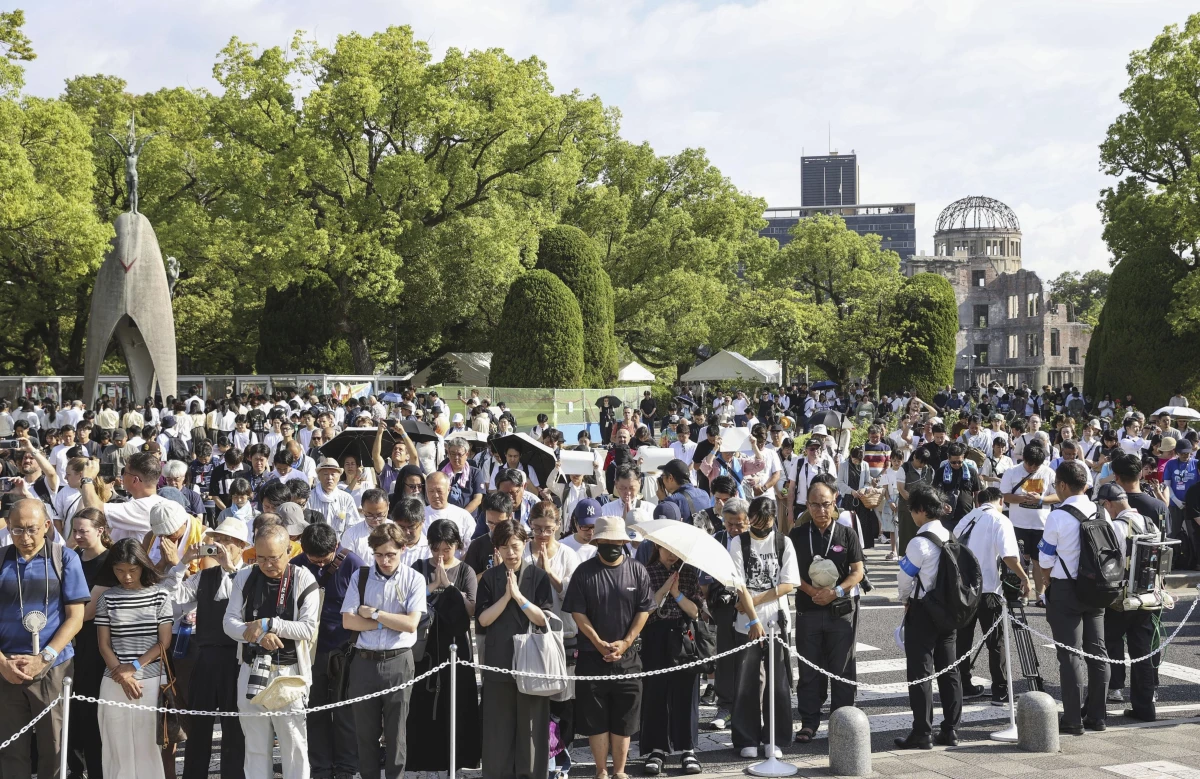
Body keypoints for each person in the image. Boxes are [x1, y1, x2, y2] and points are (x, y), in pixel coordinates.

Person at [223, 523, 320, 779]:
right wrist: (260, 636)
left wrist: (269, 624)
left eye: (273, 558)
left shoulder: (303, 578)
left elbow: (307, 629)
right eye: (261, 558)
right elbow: (228, 622)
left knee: (294, 746)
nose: (266, 565)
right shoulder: (245, 576)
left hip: (289, 673)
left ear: (288, 551)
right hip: (251, 667)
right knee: (255, 746)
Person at [0, 500, 88, 779]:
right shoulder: (1, 559)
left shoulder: (64, 558)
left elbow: (76, 617)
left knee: (54, 745)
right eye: (17, 530)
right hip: (6, 667)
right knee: (11, 747)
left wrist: (44, 658)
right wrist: (2, 663)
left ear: (47, 526)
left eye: (31, 529)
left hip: (53, 666)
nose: (24, 538)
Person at [564, 515, 655, 779]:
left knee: (624, 720)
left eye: (618, 542)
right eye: (606, 541)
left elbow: (644, 610)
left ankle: (620, 771)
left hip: (629, 657)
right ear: (597, 542)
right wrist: (597, 642)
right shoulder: (583, 572)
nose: (612, 546)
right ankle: (601, 770)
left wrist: (625, 642)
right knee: (596, 720)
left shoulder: (637, 570)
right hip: (592, 656)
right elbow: (577, 613)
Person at [164, 515, 251, 779]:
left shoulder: (251, 574)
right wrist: (182, 563)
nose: (221, 546)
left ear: (240, 545)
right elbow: (172, 599)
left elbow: (250, 605)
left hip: (236, 659)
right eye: (218, 540)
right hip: (205, 658)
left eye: (227, 541)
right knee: (199, 727)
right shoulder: (204, 576)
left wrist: (230, 568)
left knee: (234, 730)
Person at [340, 523, 427, 779]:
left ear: (403, 549)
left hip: (398, 661)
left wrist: (375, 613)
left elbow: (411, 624)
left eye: (390, 554)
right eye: (379, 554)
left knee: (396, 734)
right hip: (363, 661)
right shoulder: (361, 576)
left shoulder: (414, 579)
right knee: (365, 735)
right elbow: (348, 621)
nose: (385, 560)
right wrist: (385, 621)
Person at [477, 519, 554, 779]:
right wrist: (506, 596)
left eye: (515, 546)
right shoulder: (489, 578)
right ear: (496, 549)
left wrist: (519, 597)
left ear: (525, 544)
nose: (511, 553)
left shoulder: (539, 576)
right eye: (504, 547)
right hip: (499, 659)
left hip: (532, 659)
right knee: (498, 727)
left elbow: (544, 619)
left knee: (532, 727)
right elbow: (483, 620)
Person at [1037, 460, 1110, 735]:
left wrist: (1046, 579)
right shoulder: (1102, 511)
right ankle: (1098, 716)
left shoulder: (1057, 515)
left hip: (1066, 588)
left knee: (1070, 655)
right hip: (1098, 589)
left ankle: (1072, 719)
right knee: (1098, 653)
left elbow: (1045, 557)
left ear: (1064, 485)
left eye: (1056, 484)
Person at [789, 480, 864, 744]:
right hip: (808, 610)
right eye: (815, 505)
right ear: (807, 505)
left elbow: (858, 571)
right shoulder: (797, 535)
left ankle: (842, 722)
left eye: (826, 504)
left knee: (842, 668)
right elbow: (791, 574)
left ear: (835, 504)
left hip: (840, 611)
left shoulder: (846, 534)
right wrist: (812, 592)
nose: (821, 510)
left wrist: (836, 592)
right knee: (809, 668)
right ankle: (809, 721)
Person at [95, 537, 175, 779]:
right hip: (113, 680)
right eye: (119, 571)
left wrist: (134, 667)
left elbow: (164, 642)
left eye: (132, 570)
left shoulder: (160, 595)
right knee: (116, 746)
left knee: (148, 747)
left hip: (149, 680)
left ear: (143, 566)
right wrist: (121, 673)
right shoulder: (106, 598)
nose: (126, 576)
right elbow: (103, 645)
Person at [407, 519, 482, 773]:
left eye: (446, 549)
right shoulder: (417, 567)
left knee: (458, 703)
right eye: (436, 549)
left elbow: (472, 608)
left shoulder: (465, 571)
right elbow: (407, 600)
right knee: (422, 703)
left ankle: (459, 758)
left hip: (455, 645)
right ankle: (424, 758)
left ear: (457, 546)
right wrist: (432, 586)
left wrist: (449, 588)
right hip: (425, 646)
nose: (440, 555)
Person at [292, 522, 365, 779]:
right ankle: (320, 767)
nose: (320, 565)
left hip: (346, 650)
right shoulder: (297, 564)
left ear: (336, 546)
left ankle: (346, 768)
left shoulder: (354, 565)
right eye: (315, 560)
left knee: (345, 712)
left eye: (325, 560)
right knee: (315, 712)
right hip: (309, 652)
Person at [729, 496, 798, 758]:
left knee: (778, 681)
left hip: (778, 620)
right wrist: (753, 619)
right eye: (756, 522)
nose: (762, 527)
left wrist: (755, 602)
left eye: (767, 523)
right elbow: (739, 584)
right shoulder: (739, 542)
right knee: (746, 681)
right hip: (746, 623)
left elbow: (788, 584)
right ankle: (746, 737)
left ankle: (776, 737)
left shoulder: (783, 542)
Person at [895, 484, 962, 749]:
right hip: (949, 610)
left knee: (921, 673)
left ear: (921, 510)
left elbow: (904, 578)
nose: (912, 514)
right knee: (950, 670)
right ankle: (951, 730)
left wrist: (905, 600)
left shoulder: (919, 543)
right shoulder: (951, 536)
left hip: (923, 611)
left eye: (913, 509)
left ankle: (922, 732)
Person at [952, 488, 1032, 706]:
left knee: (963, 641)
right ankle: (1001, 690)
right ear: (1002, 501)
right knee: (996, 642)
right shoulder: (1000, 520)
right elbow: (1008, 556)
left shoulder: (967, 519)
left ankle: (963, 685)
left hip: (964, 591)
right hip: (989, 589)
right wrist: (1024, 578)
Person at [639, 543, 704, 775]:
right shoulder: (646, 571)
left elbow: (695, 611)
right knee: (656, 693)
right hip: (655, 637)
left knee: (686, 693)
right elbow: (648, 608)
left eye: (676, 550)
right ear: (658, 547)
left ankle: (688, 748)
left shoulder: (688, 572)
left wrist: (677, 593)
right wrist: (667, 586)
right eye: (667, 549)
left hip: (683, 635)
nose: (672, 554)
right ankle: (657, 748)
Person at [1096, 483, 1159, 719]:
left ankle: (1096, 706)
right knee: (1142, 652)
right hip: (1146, 597)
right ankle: (1145, 708)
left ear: (1109, 504)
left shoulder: (1116, 527)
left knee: (1103, 648)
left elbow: (1111, 565)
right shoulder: (1149, 522)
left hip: (1121, 600)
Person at [67, 508, 113, 779]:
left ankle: (96, 770)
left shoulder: (109, 563)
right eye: (75, 530)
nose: (78, 536)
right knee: (72, 711)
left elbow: (87, 611)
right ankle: (74, 767)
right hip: (69, 643)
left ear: (100, 530)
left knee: (91, 711)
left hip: (94, 644)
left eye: (83, 530)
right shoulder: (70, 558)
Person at [1000, 443, 1059, 604]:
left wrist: (1041, 499)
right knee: (1021, 561)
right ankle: (1023, 594)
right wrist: (1022, 499)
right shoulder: (1012, 472)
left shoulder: (1048, 473)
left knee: (1040, 561)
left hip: (1042, 525)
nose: (1032, 468)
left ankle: (1041, 595)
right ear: (1023, 459)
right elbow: (1004, 496)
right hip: (1019, 524)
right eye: (1029, 464)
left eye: (1036, 465)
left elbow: (1058, 496)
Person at [307, 457, 362, 535]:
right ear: (319, 477)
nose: (329, 478)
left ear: (339, 477)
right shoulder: (309, 497)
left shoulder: (346, 498)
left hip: (340, 545)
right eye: (325, 474)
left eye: (333, 474)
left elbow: (353, 526)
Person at [424, 471, 477, 543]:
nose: (435, 495)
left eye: (439, 491)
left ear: (448, 490)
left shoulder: (463, 515)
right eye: (431, 491)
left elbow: (472, 544)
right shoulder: (420, 516)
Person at [561, 497, 600, 562]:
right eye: (585, 526)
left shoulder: (606, 547)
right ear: (575, 523)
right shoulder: (562, 547)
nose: (590, 532)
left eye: (594, 526)